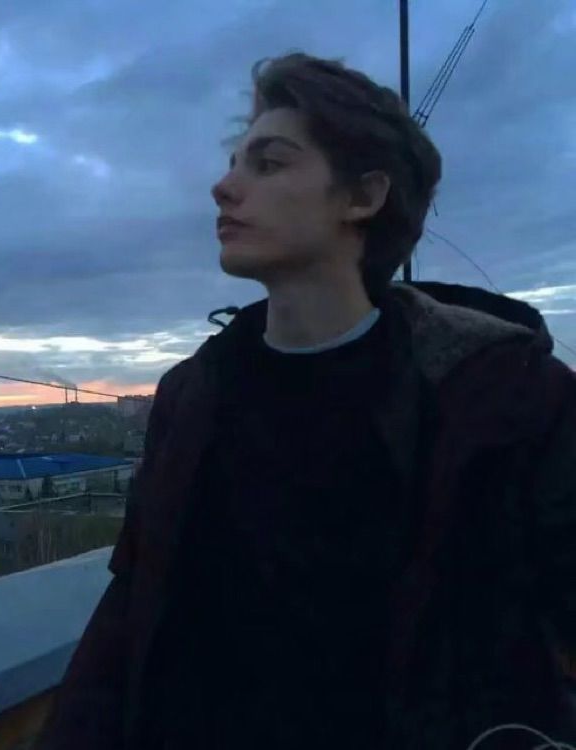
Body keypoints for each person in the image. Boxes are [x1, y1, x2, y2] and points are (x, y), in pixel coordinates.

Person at [35, 52, 576, 750]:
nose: (223, 187)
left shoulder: (501, 397)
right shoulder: (191, 397)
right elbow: (130, 616)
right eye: (234, 162)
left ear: (363, 197)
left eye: (268, 164)